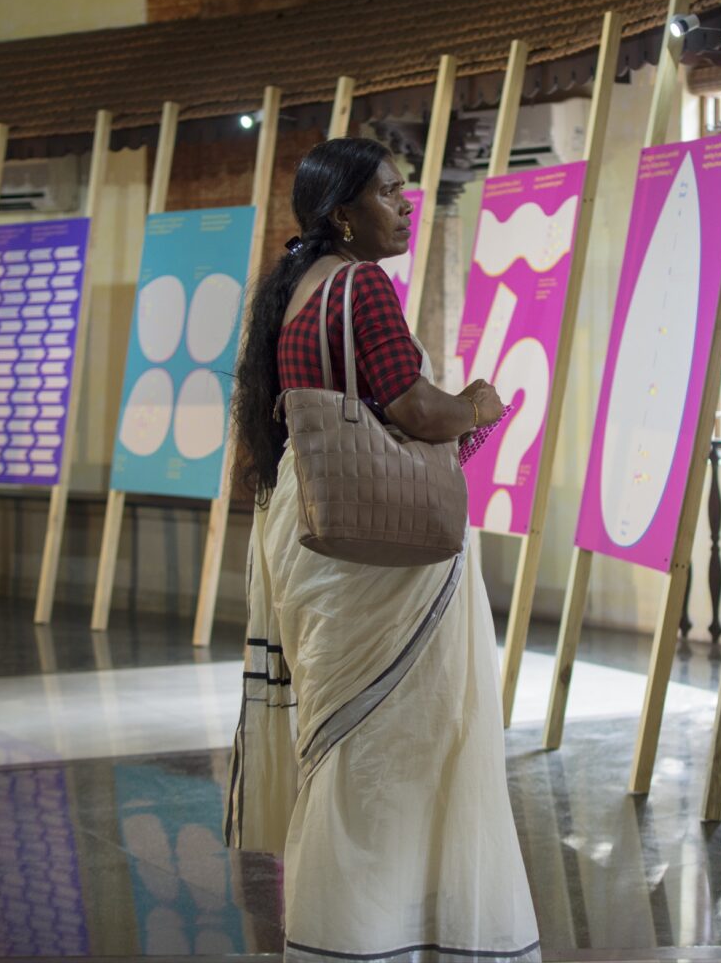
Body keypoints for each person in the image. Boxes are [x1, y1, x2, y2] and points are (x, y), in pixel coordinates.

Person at [228, 137, 541, 962]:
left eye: (406, 192)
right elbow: (411, 408)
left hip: (310, 520)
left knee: (341, 736)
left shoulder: (294, 287)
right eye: (390, 195)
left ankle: (344, 926)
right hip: (375, 550)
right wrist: (474, 405)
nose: (405, 205)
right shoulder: (361, 284)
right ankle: (372, 935)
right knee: (394, 738)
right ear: (343, 216)